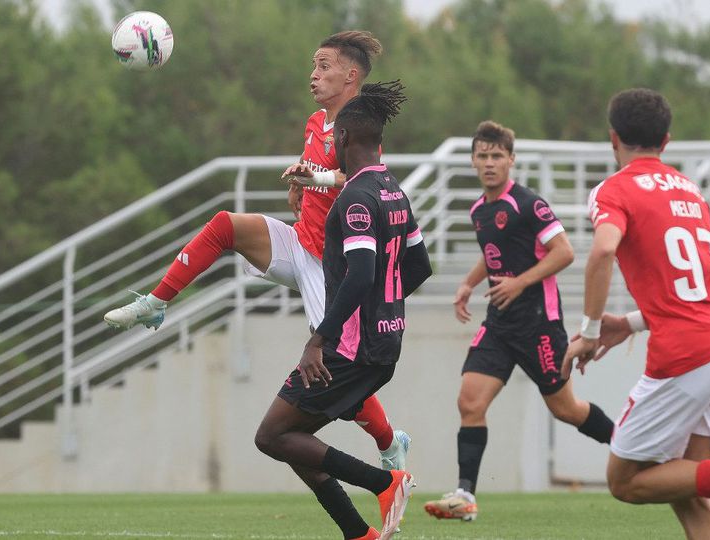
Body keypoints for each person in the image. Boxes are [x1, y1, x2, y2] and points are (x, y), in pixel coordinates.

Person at [103, 31, 411, 470]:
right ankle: (156, 303)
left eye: (324, 66)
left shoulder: (359, 126)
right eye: (313, 66)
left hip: (333, 266)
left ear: (351, 75)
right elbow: (315, 180)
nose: (314, 75)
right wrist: (300, 186)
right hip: (301, 241)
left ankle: (389, 443)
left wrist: (320, 181)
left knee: (336, 376)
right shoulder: (314, 122)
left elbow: (368, 180)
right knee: (226, 225)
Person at [562, 88, 710, 539]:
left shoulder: (614, 189)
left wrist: (590, 331)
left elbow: (602, 252)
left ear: (613, 138)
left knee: (626, 480)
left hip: (689, 354)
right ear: (666, 141)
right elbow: (690, 286)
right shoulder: (691, 191)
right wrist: (627, 323)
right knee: (687, 486)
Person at [254, 80, 430, 540]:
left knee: (270, 437)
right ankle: (359, 534)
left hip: (349, 350)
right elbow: (420, 265)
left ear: (344, 140)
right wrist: (383, 310)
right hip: (381, 344)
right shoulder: (393, 190)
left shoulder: (354, 199)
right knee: (296, 442)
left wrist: (319, 339)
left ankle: (385, 482)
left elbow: (360, 273)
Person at [423, 122, 615, 522]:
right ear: (473, 160)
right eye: (483, 155)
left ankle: (632, 446)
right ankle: (465, 496)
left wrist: (520, 282)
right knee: (469, 401)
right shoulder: (479, 210)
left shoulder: (528, 204)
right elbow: (492, 252)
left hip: (539, 324)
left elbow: (563, 253)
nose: (490, 163)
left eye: (497, 156)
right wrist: (468, 284)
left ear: (511, 160)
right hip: (499, 324)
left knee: (567, 409)